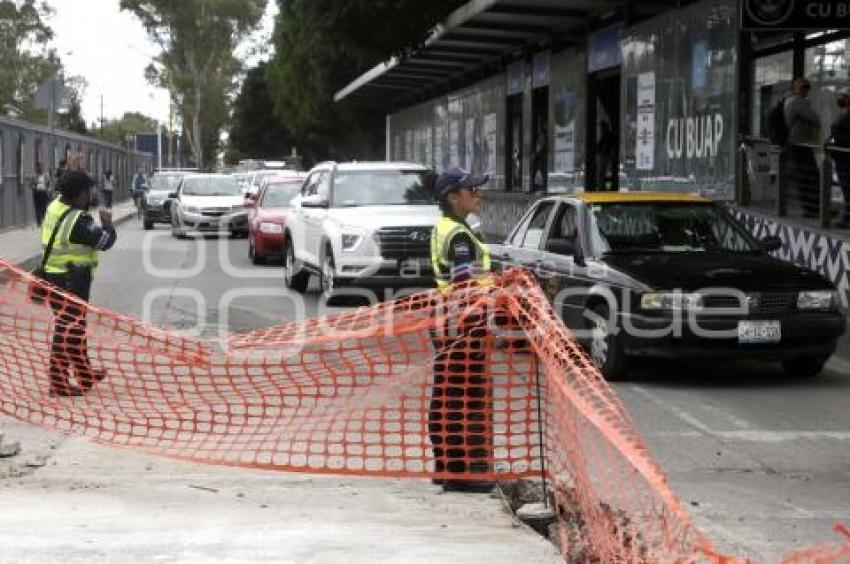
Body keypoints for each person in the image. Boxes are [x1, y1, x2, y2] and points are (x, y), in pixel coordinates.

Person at [428, 166, 495, 492]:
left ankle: (445, 467)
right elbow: (463, 285)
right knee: (463, 399)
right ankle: (462, 473)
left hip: (449, 324)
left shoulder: (449, 227)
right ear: (453, 197)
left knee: (447, 396)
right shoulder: (458, 236)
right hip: (463, 324)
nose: (477, 194)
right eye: (471, 190)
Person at [41, 171, 117, 397]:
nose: (91, 194)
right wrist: (107, 224)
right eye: (88, 191)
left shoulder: (55, 205)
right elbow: (105, 242)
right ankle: (58, 381)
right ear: (80, 194)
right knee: (69, 328)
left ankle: (84, 373)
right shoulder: (78, 220)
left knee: (73, 325)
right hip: (70, 279)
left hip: (52, 274)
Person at [784, 77, 822, 218]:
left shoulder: (797, 102)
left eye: (807, 86)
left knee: (809, 177)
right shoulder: (797, 102)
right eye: (803, 87)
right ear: (795, 89)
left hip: (801, 144)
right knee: (808, 177)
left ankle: (814, 208)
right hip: (799, 145)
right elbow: (814, 118)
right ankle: (812, 209)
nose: (806, 89)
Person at [830, 87, 850, 228]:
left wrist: (833, 141)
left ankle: (847, 219)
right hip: (841, 159)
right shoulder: (844, 115)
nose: (840, 99)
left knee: (848, 190)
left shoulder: (847, 117)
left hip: (845, 160)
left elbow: (846, 138)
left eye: (844, 96)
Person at [30, 162, 50, 227]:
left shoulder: (46, 175)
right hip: (37, 193)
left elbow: (49, 184)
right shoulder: (34, 175)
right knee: (37, 208)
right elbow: (30, 185)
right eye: (38, 167)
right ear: (36, 168)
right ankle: (39, 223)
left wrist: (48, 191)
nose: (40, 168)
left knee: (44, 208)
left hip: (44, 193)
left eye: (41, 166)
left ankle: (44, 221)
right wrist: (35, 187)